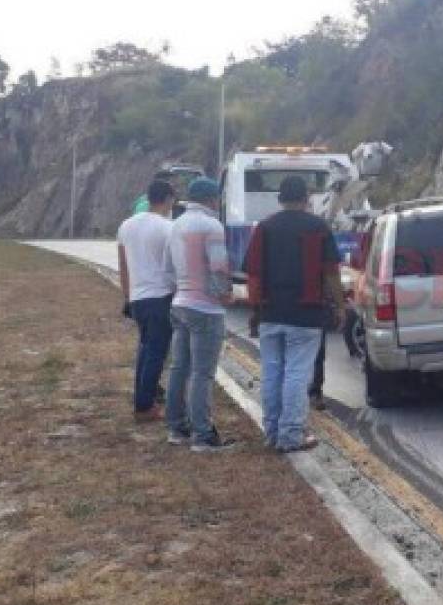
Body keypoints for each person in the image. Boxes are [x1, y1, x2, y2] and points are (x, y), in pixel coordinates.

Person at [245, 175, 346, 452]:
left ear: (280, 199)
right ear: (307, 198)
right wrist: (340, 305)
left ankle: (272, 431)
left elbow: (253, 274)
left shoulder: (264, 228)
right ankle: (291, 435)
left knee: (272, 373)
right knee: (297, 375)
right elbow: (331, 273)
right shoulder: (318, 227)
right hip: (306, 315)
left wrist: (255, 311)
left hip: (270, 313)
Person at [163, 177, 237, 452]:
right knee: (202, 373)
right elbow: (218, 268)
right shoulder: (212, 226)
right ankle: (203, 436)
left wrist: (181, 287)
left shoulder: (176, 225)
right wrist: (226, 294)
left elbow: (167, 267)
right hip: (205, 307)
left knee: (179, 368)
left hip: (180, 303)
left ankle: (176, 428)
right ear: (211, 199)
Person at [117, 179, 176, 422]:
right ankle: (144, 405)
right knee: (156, 352)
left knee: (145, 348)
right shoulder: (167, 227)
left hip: (138, 298)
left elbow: (123, 264)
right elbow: (174, 264)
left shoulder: (126, 226)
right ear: (168, 199)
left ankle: (140, 398)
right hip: (160, 296)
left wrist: (127, 296)